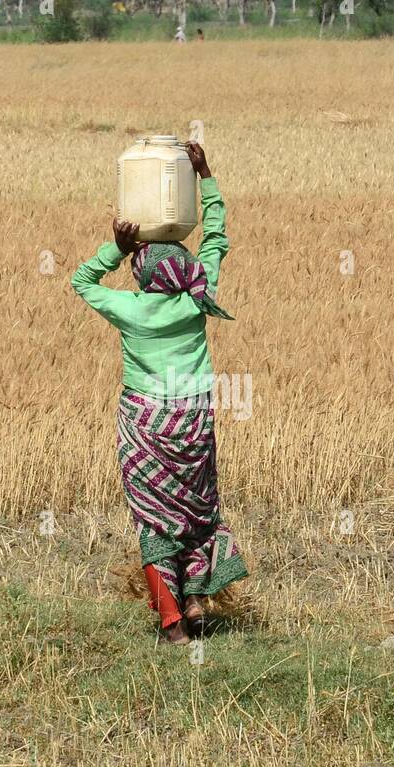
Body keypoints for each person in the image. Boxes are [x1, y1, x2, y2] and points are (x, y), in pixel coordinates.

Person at [71, 142, 248, 645]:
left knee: (154, 516)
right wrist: (206, 175)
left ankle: (172, 622)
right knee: (195, 512)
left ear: (143, 275)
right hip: (193, 419)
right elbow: (216, 237)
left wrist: (116, 248)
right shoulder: (198, 298)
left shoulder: (129, 309)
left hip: (146, 422)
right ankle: (194, 598)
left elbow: (81, 281)